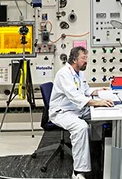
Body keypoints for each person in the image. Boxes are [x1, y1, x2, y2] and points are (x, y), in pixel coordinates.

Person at [48, 46, 114, 179]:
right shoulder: (64, 74)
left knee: (106, 115)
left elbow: (85, 90)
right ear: (74, 59)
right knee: (81, 128)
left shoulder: (79, 72)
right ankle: (78, 172)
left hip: (76, 109)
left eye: (86, 58)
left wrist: (98, 91)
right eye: (83, 58)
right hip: (62, 111)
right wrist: (97, 102)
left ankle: (102, 152)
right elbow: (76, 97)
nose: (86, 61)